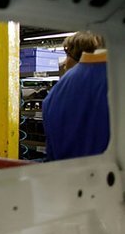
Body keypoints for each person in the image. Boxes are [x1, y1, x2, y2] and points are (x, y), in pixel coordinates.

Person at [43, 31, 109, 161]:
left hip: (67, 176)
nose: (64, 63)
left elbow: (51, 154)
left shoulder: (54, 95)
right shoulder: (115, 77)